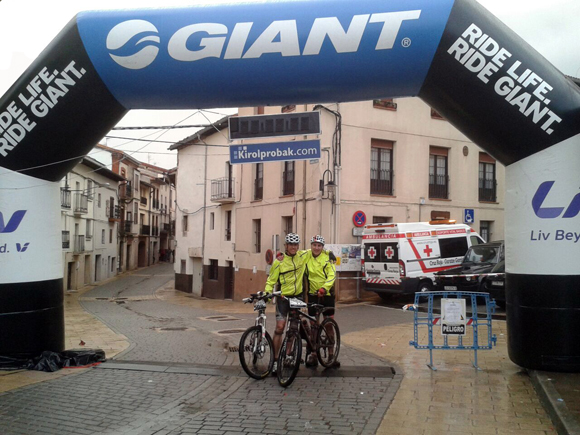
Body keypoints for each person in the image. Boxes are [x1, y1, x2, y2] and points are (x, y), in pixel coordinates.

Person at [264, 233, 311, 374]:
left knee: (293, 329)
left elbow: (317, 250)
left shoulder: (302, 256)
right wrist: (267, 294)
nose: (294, 247)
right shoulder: (279, 261)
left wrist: (329, 254)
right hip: (283, 298)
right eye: (291, 244)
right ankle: (275, 359)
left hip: (298, 297)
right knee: (280, 327)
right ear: (286, 246)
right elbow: (271, 280)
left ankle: (289, 355)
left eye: (296, 244)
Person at [304, 235, 339, 368]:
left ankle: (331, 354)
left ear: (322, 247)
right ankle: (313, 354)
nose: (316, 248)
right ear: (311, 245)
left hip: (327, 294)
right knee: (313, 324)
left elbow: (332, 275)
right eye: (314, 245)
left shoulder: (328, 257)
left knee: (329, 324)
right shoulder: (306, 255)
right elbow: (294, 254)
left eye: (319, 246)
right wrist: (281, 255)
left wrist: (324, 288)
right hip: (313, 295)